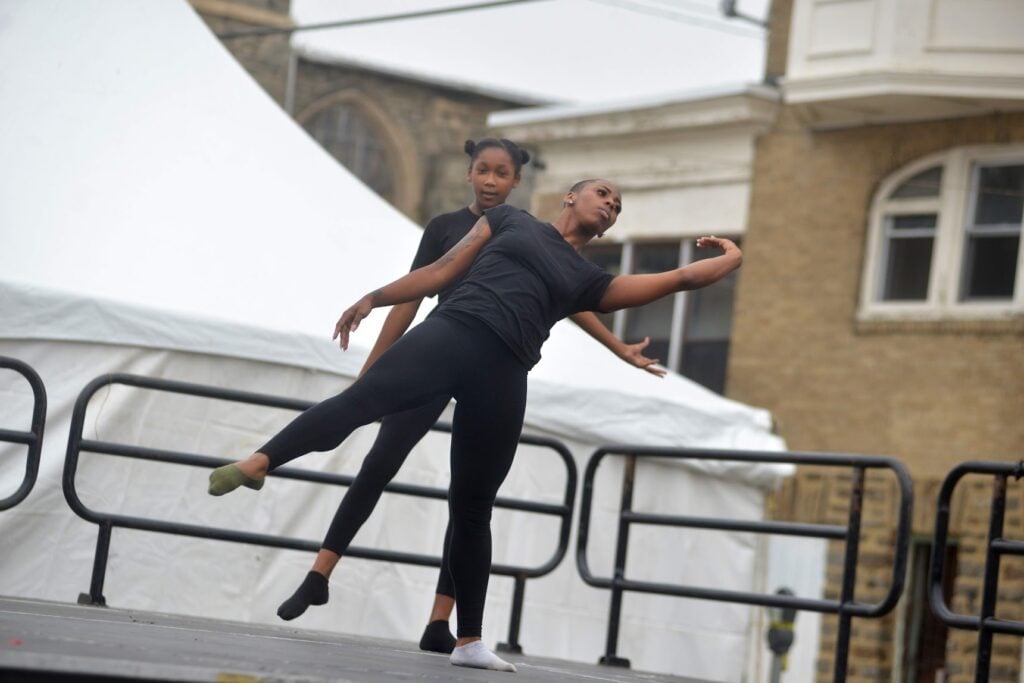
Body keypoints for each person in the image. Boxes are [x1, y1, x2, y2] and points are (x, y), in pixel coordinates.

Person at [209, 176, 741, 673]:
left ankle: (468, 640)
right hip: (450, 334)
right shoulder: (511, 221)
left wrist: (733, 256)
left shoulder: (588, 281)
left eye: (618, 208)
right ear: (570, 199)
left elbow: (679, 279)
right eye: (603, 194)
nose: (610, 205)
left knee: (472, 506)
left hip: (504, 372)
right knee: (359, 403)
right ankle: (259, 462)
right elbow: (443, 270)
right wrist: (374, 297)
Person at [266, 138, 664, 653]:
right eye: (484, 171)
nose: (493, 181)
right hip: (440, 350)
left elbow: (574, 296)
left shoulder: (527, 231)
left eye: (503, 174)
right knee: (380, 459)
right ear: (471, 174)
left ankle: (440, 620)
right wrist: (370, 376)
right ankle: (320, 572)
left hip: (491, 367)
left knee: (470, 500)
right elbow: (414, 294)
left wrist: (618, 349)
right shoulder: (450, 229)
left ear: (517, 182)